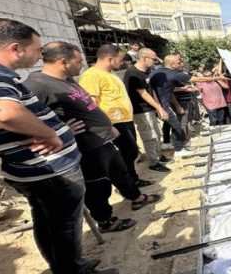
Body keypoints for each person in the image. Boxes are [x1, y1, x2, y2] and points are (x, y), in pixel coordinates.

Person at [0, 18, 117, 274]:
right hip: (49, 170)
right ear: (15, 49)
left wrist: (59, 129)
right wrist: (51, 134)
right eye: (37, 50)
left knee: (49, 223)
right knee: (63, 226)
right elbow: (4, 112)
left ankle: (68, 266)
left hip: (38, 169)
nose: (39, 56)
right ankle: (72, 270)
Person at [25, 41, 160, 232]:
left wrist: (107, 125)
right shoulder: (37, 85)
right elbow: (24, 118)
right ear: (63, 61)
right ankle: (106, 220)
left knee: (120, 171)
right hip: (86, 146)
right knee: (98, 186)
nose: (82, 64)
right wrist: (58, 130)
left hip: (102, 138)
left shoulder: (67, 79)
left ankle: (136, 198)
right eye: (79, 61)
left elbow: (89, 104)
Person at [79, 44, 153, 187]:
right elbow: (91, 103)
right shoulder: (91, 76)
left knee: (130, 152)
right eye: (120, 59)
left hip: (124, 120)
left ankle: (133, 179)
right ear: (110, 58)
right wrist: (105, 126)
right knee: (124, 155)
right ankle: (128, 185)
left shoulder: (109, 74)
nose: (122, 62)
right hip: (113, 123)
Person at [123, 48, 172, 172]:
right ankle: (154, 162)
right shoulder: (133, 73)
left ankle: (158, 155)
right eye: (153, 59)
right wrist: (159, 108)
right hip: (141, 111)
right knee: (149, 136)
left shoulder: (146, 71)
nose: (155, 62)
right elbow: (143, 93)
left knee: (157, 133)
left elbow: (150, 91)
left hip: (149, 108)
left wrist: (157, 107)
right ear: (144, 58)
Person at [149, 54, 196, 156]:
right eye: (179, 62)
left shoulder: (160, 72)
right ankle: (178, 149)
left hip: (164, 105)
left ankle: (172, 145)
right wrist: (216, 77)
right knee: (178, 126)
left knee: (174, 125)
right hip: (161, 106)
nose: (181, 63)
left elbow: (168, 91)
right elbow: (197, 79)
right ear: (172, 64)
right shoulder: (171, 74)